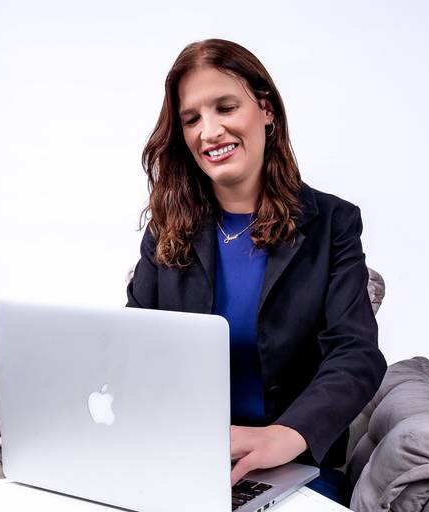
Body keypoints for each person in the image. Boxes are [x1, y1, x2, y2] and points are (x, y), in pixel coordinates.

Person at [126, 38, 387, 506]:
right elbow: (131, 346)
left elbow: (356, 354)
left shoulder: (332, 223)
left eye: (226, 107)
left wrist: (287, 434)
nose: (209, 132)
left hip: (291, 464)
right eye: (191, 119)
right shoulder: (166, 230)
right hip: (182, 457)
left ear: (266, 110)